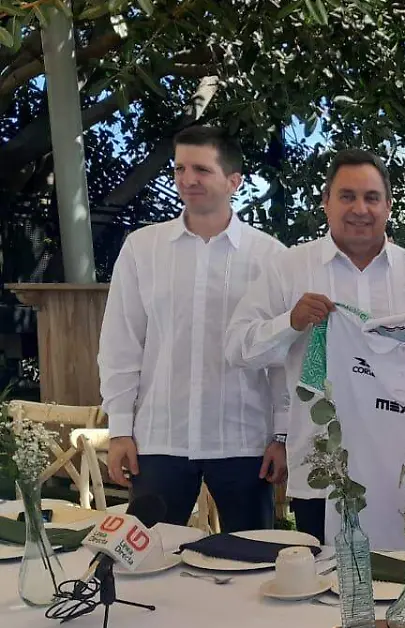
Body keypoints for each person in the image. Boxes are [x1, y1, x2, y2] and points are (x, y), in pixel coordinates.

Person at [225, 148, 405, 543]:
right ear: (326, 201)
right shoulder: (288, 269)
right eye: (347, 196)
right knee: (326, 578)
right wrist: (291, 322)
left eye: (371, 197)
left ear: (388, 205)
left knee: (404, 574)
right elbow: (238, 349)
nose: (360, 209)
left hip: (403, 468)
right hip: (323, 473)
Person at [97, 126, 288, 531]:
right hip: (160, 437)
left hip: (244, 440)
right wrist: (119, 430)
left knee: (251, 558)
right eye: (180, 168)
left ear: (234, 181)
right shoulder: (142, 249)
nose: (187, 179)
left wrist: (283, 434)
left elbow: (282, 356)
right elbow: (120, 344)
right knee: (147, 555)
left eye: (201, 169)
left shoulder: (271, 257)